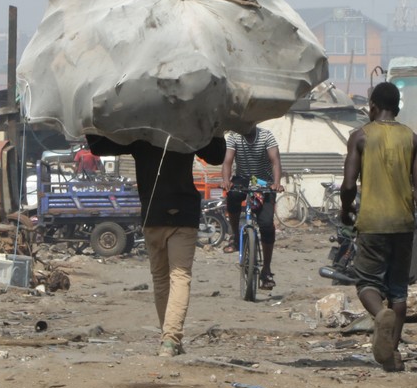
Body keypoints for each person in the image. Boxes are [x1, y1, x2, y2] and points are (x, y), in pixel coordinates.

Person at [87, 134, 226, 357]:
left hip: (153, 215)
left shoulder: (143, 134)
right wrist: (216, 128)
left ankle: (169, 340)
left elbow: (99, 146)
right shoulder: (187, 130)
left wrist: (90, 124)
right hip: (183, 214)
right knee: (180, 275)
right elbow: (216, 155)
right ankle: (170, 340)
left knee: (161, 279)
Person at [340, 81, 417, 372]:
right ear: (397, 108)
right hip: (403, 224)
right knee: (398, 291)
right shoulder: (413, 138)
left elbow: (348, 185)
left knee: (367, 283)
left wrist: (346, 210)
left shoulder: (360, 137)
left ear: (372, 107)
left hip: (372, 223)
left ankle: (379, 313)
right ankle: (391, 355)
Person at [221, 125, 283, 290]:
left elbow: (275, 161)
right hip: (242, 179)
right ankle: (234, 236)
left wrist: (276, 183)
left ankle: (267, 270)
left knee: (266, 224)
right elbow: (227, 161)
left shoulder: (266, 135)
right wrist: (226, 180)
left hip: (264, 182)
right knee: (232, 196)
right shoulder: (234, 136)